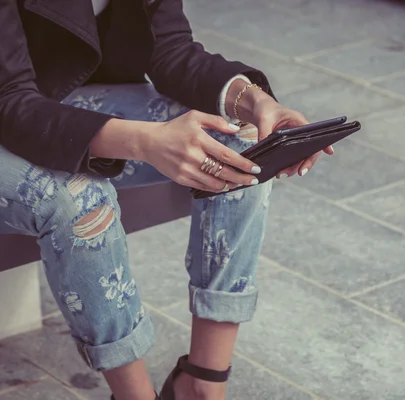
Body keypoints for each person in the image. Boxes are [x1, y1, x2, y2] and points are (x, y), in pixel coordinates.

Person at [0, 0, 333, 399]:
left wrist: (256, 101)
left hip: (58, 100)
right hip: (8, 108)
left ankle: (202, 382)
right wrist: (145, 141)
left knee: (242, 140)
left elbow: (170, 47)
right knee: (78, 198)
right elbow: (9, 98)